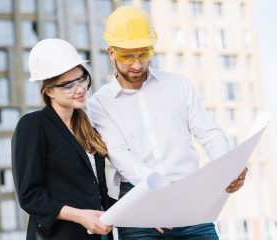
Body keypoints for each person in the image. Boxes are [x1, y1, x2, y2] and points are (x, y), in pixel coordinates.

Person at [88, 6, 248, 240]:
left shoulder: (178, 85)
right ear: (111, 52)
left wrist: (228, 169)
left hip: (189, 197)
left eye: (143, 54)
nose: (137, 65)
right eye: (127, 56)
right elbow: (120, 156)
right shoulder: (99, 104)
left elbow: (209, 133)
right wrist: (159, 198)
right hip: (139, 203)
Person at [11, 38, 116, 240]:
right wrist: (80, 216)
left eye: (82, 78)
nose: (80, 89)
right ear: (49, 90)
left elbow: (98, 197)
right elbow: (30, 197)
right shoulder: (33, 126)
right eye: (68, 85)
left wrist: (143, 216)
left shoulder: (88, 129)